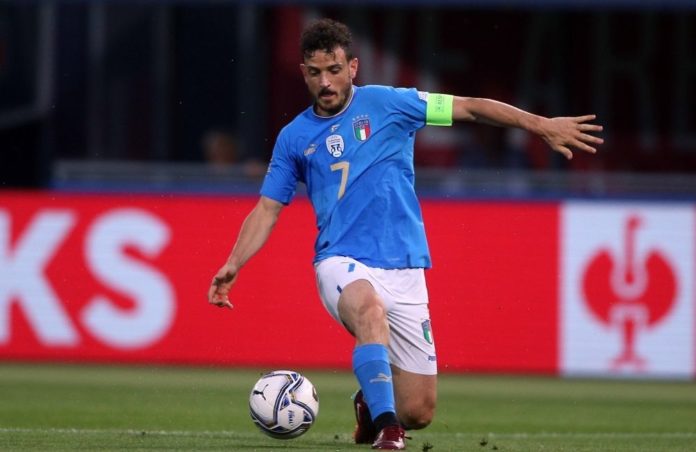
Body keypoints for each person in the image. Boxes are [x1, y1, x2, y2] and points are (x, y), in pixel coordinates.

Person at [207, 18, 603, 450]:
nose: (325, 81)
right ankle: (388, 430)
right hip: (340, 259)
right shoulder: (294, 138)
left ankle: (372, 404)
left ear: (353, 67)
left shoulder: (393, 104)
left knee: (420, 411)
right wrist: (234, 262)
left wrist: (540, 125)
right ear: (304, 72)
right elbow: (268, 208)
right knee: (369, 313)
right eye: (315, 71)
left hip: (405, 265)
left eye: (334, 70)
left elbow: (469, 106)